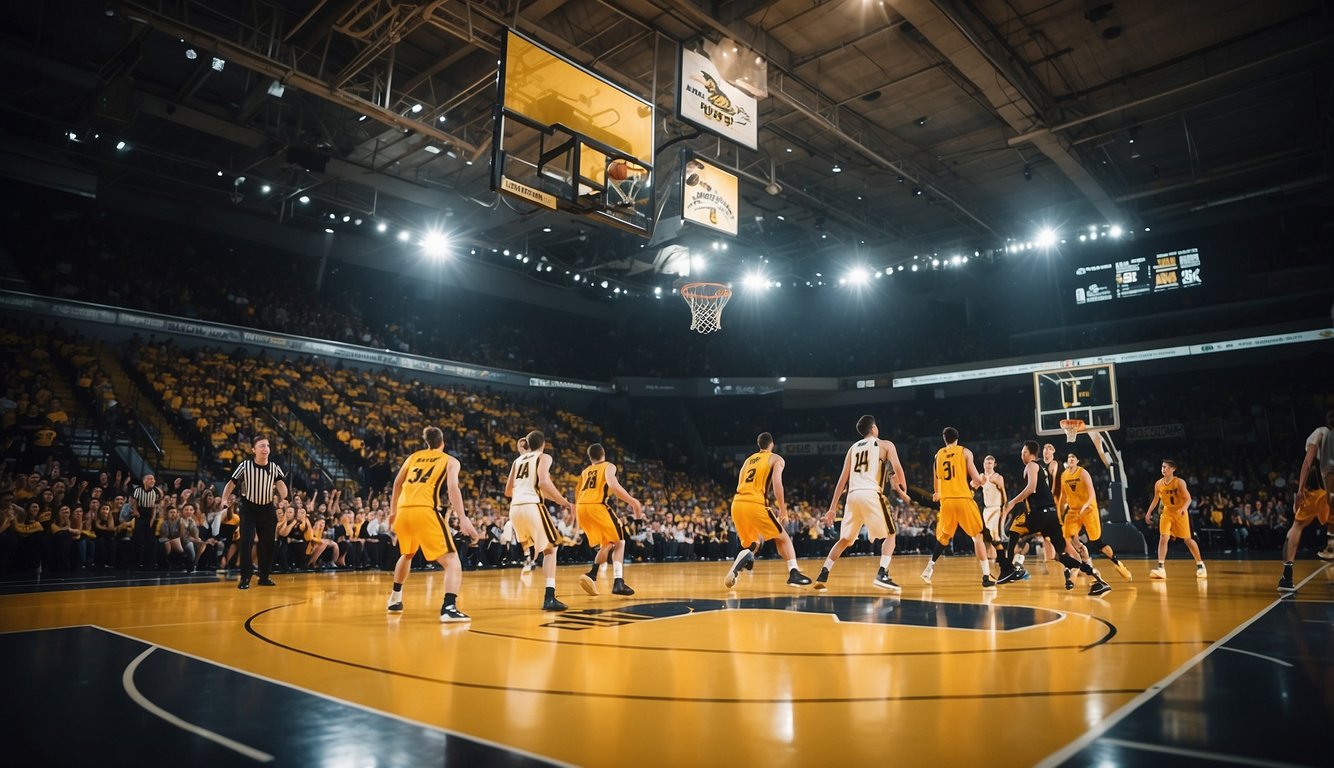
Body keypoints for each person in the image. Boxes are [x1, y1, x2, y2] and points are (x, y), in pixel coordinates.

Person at [385, 426, 478, 622]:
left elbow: (397, 483)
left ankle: (395, 598)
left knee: (407, 553)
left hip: (403, 511)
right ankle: (449, 608)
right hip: (424, 510)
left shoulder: (413, 457)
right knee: (452, 561)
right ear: (442, 443)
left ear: (426, 442)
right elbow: (453, 488)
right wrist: (463, 518)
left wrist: (393, 511)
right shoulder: (450, 460)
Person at [999, 441, 1111, 596]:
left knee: (1014, 529)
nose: (1021, 454)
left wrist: (1012, 502)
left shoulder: (1031, 466)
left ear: (1029, 453)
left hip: (1040, 514)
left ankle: (1009, 570)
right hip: (1051, 515)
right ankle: (1099, 579)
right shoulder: (1042, 467)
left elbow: (1031, 488)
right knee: (1061, 555)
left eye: (1023, 452)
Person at [813, 415, 910, 592]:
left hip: (852, 496)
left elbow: (842, 479)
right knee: (891, 534)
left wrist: (832, 509)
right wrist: (902, 486)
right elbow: (898, 469)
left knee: (845, 539)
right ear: (873, 428)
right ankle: (882, 574)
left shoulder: (853, 448)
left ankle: (823, 573)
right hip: (870, 493)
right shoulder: (885, 445)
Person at [723, 432, 812, 590]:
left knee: (753, 544)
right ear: (772, 444)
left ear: (759, 445)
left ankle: (739, 564)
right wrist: (783, 509)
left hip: (737, 503)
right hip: (755, 503)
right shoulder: (776, 458)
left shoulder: (747, 461)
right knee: (783, 537)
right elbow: (778, 483)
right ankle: (794, 573)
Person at [505, 430, 574, 611]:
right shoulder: (544, 457)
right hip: (532, 506)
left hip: (514, 508)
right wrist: (563, 501)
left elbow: (508, 491)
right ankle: (549, 597)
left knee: (544, 548)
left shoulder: (517, 461)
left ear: (527, 444)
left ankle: (529, 561)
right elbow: (543, 482)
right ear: (543, 444)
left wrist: (529, 490)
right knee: (551, 549)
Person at [921, 427, 994, 588]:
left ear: (944, 439)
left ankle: (928, 569)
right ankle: (986, 576)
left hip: (946, 501)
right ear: (957, 438)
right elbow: (976, 478)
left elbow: (936, 477)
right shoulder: (965, 452)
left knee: (943, 538)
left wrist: (936, 493)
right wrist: (982, 479)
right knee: (977, 536)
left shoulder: (938, 455)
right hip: (963, 499)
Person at [576, 443, 644, 597]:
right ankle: (618, 581)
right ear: (603, 454)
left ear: (590, 457)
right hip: (596, 506)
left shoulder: (585, 471)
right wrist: (632, 501)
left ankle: (592, 574)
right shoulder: (608, 466)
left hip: (582, 507)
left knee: (607, 543)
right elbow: (613, 485)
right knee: (620, 542)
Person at [221, 434, 288, 589]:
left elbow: (281, 484)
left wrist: (286, 498)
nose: (266, 449)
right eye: (262, 446)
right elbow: (232, 483)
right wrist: (224, 499)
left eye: (267, 446)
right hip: (249, 508)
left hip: (267, 508)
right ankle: (245, 577)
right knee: (246, 543)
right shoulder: (245, 466)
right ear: (254, 450)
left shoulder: (273, 467)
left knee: (269, 544)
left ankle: (264, 576)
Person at [1057, 452, 1133, 587]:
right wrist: (1059, 514)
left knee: (1096, 542)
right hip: (1074, 511)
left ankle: (1119, 564)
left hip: (1089, 509)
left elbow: (1092, 492)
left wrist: (1086, 505)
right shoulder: (1064, 476)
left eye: (1074, 457)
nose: (1071, 459)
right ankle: (1072, 568)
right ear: (1067, 461)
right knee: (1064, 540)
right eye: (1069, 457)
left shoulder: (1083, 473)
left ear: (1078, 460)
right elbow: (1062, 497)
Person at [1279, 410, 1334, 591]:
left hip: (1316, 491)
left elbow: (1308, 462)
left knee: (1297, 527)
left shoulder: (1320, 432)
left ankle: (1287, 576)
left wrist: (1300, 490)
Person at [1145, 459, 1206, 581]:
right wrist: (1149, 512)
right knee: (1163, 537)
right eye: (1162, 467)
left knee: (1188, 540)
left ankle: (1200, 565)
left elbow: (1188, 499)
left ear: (1173, 469)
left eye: (1166, 467)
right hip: (1167, 512)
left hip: (1180, 512)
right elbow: (1156, 499)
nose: (1163, 469)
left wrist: (1183, 509)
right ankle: (1161, 568)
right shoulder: (1158, 484)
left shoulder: (1179, 482)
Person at [978, 455, 1007, 576]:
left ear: (994, 464)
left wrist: (1005, 508)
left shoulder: (998, 477)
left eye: (991, 462)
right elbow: (973, 484)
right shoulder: (981, 476)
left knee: (995, 537)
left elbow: (1004, 493)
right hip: (986, 509)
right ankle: (989, 561)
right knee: (986, 536)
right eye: (987, 462)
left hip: (996, 508)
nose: (988, 464)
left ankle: (999, 561)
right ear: (984, 464)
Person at [128, 474, 163, 569]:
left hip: (151, 514)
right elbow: (134, 501)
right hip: (140, 514)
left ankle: (149, 563)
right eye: (150, 479)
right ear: (144, 481)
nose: (152, 481)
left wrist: (152, 519)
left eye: (153, 479)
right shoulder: (138, 490)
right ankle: (136, 562)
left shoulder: (156, 491)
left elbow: (155, 507)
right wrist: (135, 511)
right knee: (138, 539)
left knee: (151, 541)